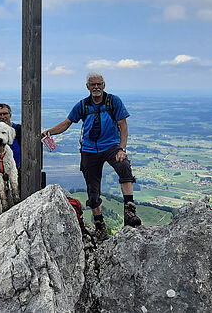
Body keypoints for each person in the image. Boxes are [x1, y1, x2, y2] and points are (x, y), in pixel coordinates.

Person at [42, 71, 141, 239]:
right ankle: (100, 226)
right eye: (93, 84)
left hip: (111, 146)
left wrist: (122, 149)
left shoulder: (113, 101)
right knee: (92, 189)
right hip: (89, 150)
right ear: (87, 87)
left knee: (124, 167)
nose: (96, 87)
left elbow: (123, 125)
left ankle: (129, 211)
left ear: (104, 85)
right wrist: (49, 132)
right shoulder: (82, 105)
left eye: (99, 84)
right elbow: (67, 123)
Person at [0, 103, 22, 167]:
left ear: (10, 115)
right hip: (0, 170)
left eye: (5, 114)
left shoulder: (18, 129)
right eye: (0, 114)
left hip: (18, 169)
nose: (3, 117)